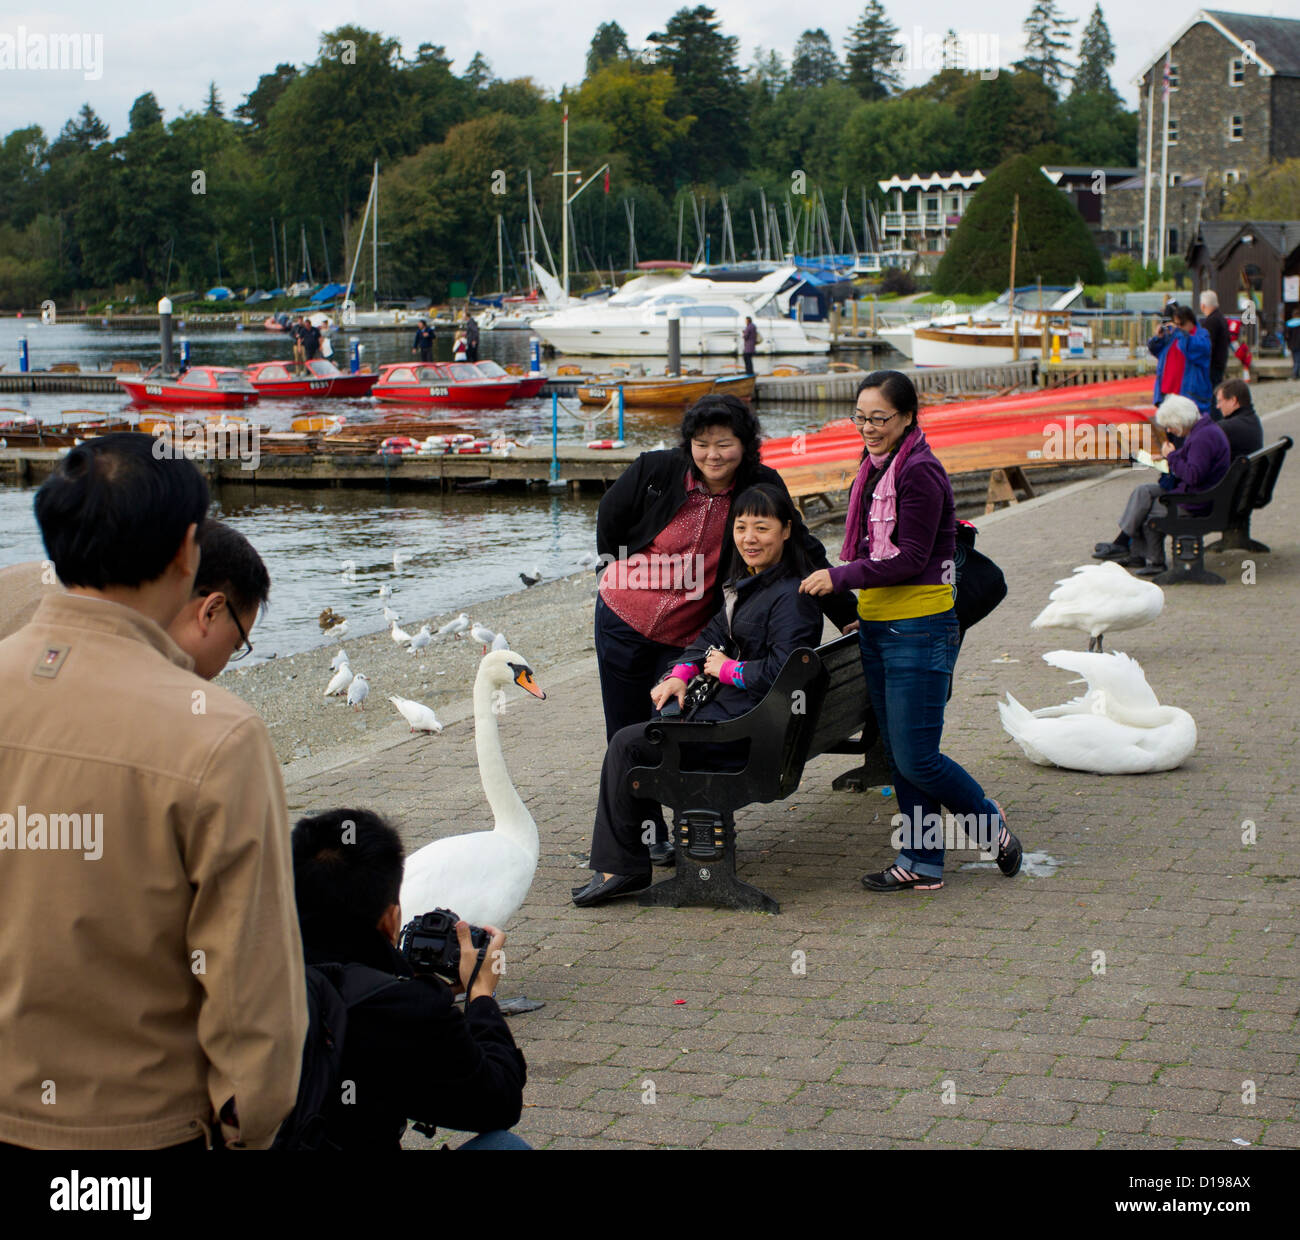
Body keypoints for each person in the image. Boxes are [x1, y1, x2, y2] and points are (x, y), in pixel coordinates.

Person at [0, 435, 305, 1149]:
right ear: (184, 553)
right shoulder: (218, 736)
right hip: (136, 1133)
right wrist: (246, 1123)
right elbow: (251, 992)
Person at [799, 370, 1021, 892]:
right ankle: (920, 860)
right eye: (861, 418)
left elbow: (911, 558)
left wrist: (838, 576)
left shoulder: (919, 471)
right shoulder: (877, 466)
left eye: (880, 418)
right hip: (878, 626)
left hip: (919, 628)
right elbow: (877, 551)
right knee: (903, 755)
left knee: (919, 756)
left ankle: (990, 823)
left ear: (906, 417)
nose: (869, 428)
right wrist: (856, 605)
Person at [574, 484, 825, 906]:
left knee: (627, 744)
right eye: (741, 527)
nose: (749, 538)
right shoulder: (752, 585)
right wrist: (681, 673)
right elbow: (708, 637)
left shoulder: (790, 598)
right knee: (648, 732)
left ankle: (622, 867)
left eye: (761, 528)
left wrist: (730, 670)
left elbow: (788, 673)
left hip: (742, 739)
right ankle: (631, 859)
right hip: (748, 728)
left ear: (786, 530)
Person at [291, 809, 528, 1150]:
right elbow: (499, 1103)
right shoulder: (402, 1009)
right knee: (505, 1147)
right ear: (391, 920)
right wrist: (480, 996)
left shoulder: (240, 979)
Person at [0, 519, 268, 678]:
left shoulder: (72, 594)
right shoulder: (108, 672)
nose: (222, 668)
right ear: (211, 610)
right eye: (235, 646)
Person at [1092, 393, 1231, 577]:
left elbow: (1193, 475)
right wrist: (1172, 456)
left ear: (1180, 420)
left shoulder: (1202, 438)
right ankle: (1125, 545)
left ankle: (1154, 561)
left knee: (1151, 511)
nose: (1170, 431)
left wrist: (1172, 457)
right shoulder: (1203, 430)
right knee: (1144, 492)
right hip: (1202, 493)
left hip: (1198, 499)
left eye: (1170, 426)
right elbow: (1196, 462)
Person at [1149, 304, 1212, 417]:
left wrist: (1179, 332)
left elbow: (1194, 349)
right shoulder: (1172, 335)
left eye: (1181, 324)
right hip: (1166, 394)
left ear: (1190, 321)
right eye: (1176, 324)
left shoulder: (1201, 335)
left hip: (1188, 396)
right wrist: (1158, 338)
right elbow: (1155, 350)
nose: (1178, 327)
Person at [1214, 379, 1263, 459]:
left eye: (1220, 401)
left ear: (1233, 400)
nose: (1218, 406)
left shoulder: (1227, 427)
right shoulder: (1254, 420)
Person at [1199, 290, 1230, 390]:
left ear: (1203, 306)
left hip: (1212, 365)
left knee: (1211, 395)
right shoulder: (1221, 318)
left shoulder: (1210, 321)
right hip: (1220, 361)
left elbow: (1207, 345)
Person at [1287, 313, 1300, 380]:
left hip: (1292, 345)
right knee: (1298, 360)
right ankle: (1295, 374)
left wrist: (1288, 344)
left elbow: (1286, 336)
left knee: (1295, 360)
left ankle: (1296, 374)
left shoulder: (1289, 323)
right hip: (1298, 345)